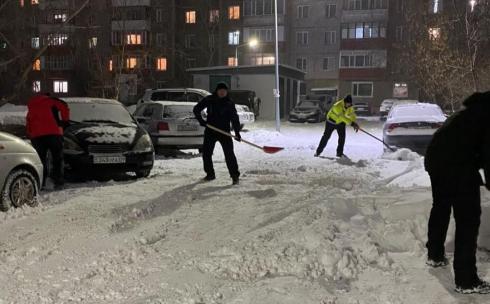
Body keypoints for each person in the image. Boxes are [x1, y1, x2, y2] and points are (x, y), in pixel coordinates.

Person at [425, 91, 490, 294]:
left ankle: (435, 255)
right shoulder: (487, 116)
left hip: (436, 160)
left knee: (441, 207)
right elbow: (489, 153)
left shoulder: (469, 112)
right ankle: (466, 280)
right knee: (468, 218)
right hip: (457, 164)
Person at [193, 82, 241, 185]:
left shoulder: (229, 103)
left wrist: (237, 132)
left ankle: (235, 176)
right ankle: (210, 174)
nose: (222, 92)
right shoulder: (210, 100)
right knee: (206, 154)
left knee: (229, 155)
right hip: (210, 131)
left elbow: (234, 118)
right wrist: (201, 121)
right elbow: (196, 109)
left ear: (227, 92)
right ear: (217, 91)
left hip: (225, 133)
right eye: (220, 90)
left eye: (224, 91)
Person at [26, 93, 70, 189]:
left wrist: (30, 134)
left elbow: (28, 120)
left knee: (40, 160)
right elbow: (64, 106)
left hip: (37, 136)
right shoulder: (51, 100)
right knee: (57, 158)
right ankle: (58, 182)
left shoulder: (32, 105)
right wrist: (65, 122)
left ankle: (41, 182)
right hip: (53, 133)